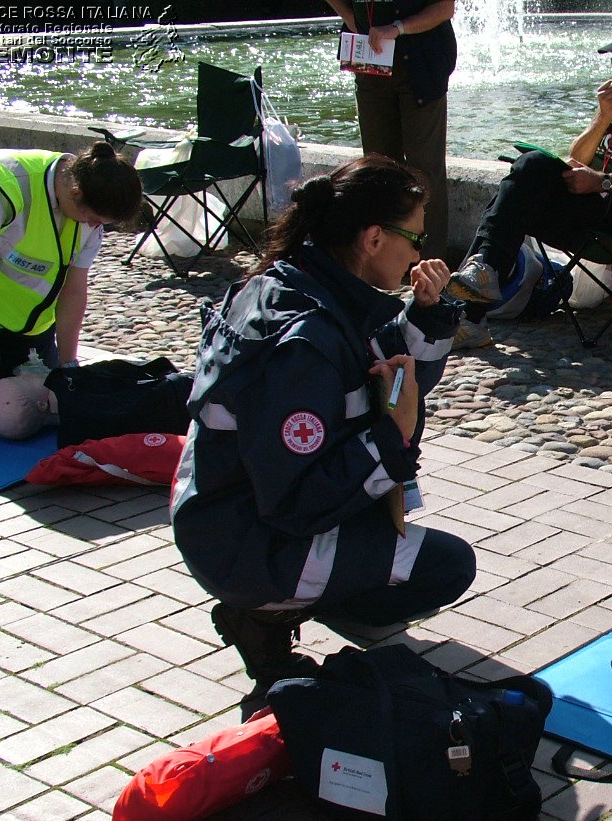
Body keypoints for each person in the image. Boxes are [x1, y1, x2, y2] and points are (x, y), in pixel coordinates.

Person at [171, 156, 475, 708]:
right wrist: (389, 440)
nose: (421, 251)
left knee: (394, 525)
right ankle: (268, 613)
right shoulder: (303, 341)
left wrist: (427, 316)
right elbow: (295, 502)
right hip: (244, 543)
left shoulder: (307, 282)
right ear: (374, 238)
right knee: (445, 565)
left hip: (223, 514)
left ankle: (308, 593)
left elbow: (391, 365)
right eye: (416, 235)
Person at [446, 20, 612, 349]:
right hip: (598, 205)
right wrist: (603, 115)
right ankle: (473, 306)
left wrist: (603, 180)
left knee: (527, 175)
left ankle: (471, 297)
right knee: (518, 185)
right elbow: (578, 157)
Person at [0, 141, 142, 427]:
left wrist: (70, 368)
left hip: (30, 327)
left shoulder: (89, 211)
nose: (94, 227)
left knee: (45, 405)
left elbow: (74, 290)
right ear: (75, 193)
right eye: (93, 219)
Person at [325, 0, 456, 263]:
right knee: (376, 169)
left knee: (424, 171)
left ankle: (428, 265)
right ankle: (381, 262)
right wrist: (353, 19)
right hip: (371, 64)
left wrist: (397, 28)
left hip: (422, 67)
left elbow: (445, 8)